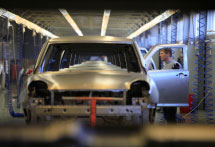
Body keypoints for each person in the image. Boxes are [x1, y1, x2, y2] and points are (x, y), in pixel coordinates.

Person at [159, 48, 182, 123]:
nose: (160, 55)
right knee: (167, 116)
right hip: (165, 94)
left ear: (168, 54)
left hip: (172, 95)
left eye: (162, 53)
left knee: (171, 117)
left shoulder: (175, 65)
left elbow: (179, 80)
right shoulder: (165, 65)